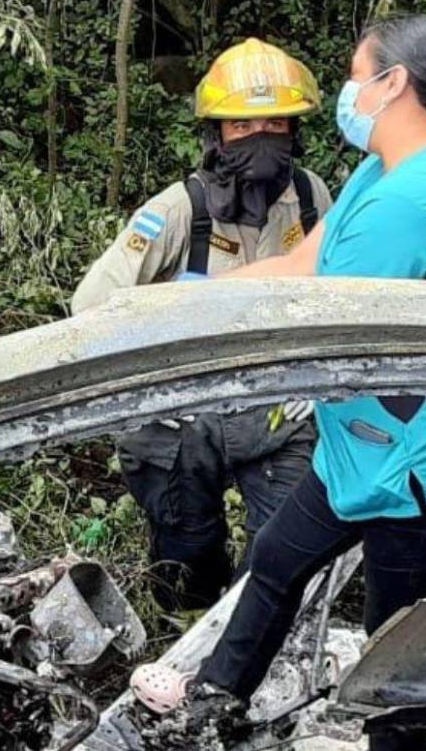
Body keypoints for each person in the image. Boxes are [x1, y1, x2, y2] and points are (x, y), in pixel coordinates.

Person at [130, 15, 426, 751]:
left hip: (422, 472)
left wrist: (200, 345)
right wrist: (181, 300)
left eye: (354, 72)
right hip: (359, 450)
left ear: (392, 82)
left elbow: (309, 332)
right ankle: (213, 705)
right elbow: (303, 271)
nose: (346, 91)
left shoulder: (410, 202)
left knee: (393, 664)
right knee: (275, 561)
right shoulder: (384, 167)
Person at [73, 38, 333, 611]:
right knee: (188, 558)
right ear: (216, 135)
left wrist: (319, 383)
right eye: (243, 128)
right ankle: (177, 638)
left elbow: (340, 299)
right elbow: (91, 304)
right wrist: (152, 372)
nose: (260, 139)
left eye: (275, 125)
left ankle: (248, 650)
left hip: (275, 414)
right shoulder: (178, 210)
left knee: (284, 552)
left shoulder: (313, 199)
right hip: (179, 420)